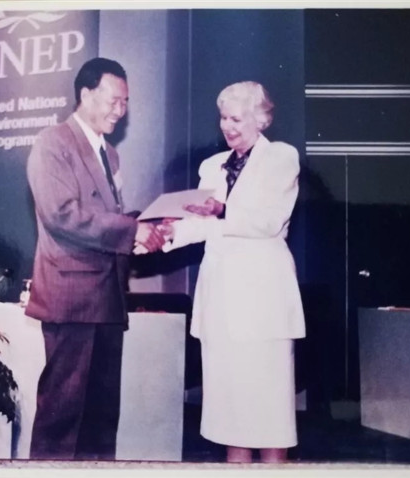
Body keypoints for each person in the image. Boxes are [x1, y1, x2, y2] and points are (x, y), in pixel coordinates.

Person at [25, 57, 165, 460]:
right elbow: (61, 214)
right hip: (72, 299)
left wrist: (152, 225)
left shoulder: (110, 155)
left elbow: (106, 217)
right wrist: (130, 231)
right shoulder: (52, 142)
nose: (120, 111)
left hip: (108, 299)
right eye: (113, 100)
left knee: (101, 420)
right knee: (62, 419)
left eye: (125, 103)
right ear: (86, 95)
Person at [161, 81, 305, 463]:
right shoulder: (212, 166)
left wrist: (221, 209)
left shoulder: (281, 158)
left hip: (263, 305)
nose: (227, 126)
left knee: (270, 418)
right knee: (230, 419)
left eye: (236, 119)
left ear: (260, 119)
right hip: (221, 305)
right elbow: (201, 222)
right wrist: (167, 233)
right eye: (223, 118)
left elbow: (269, 221)